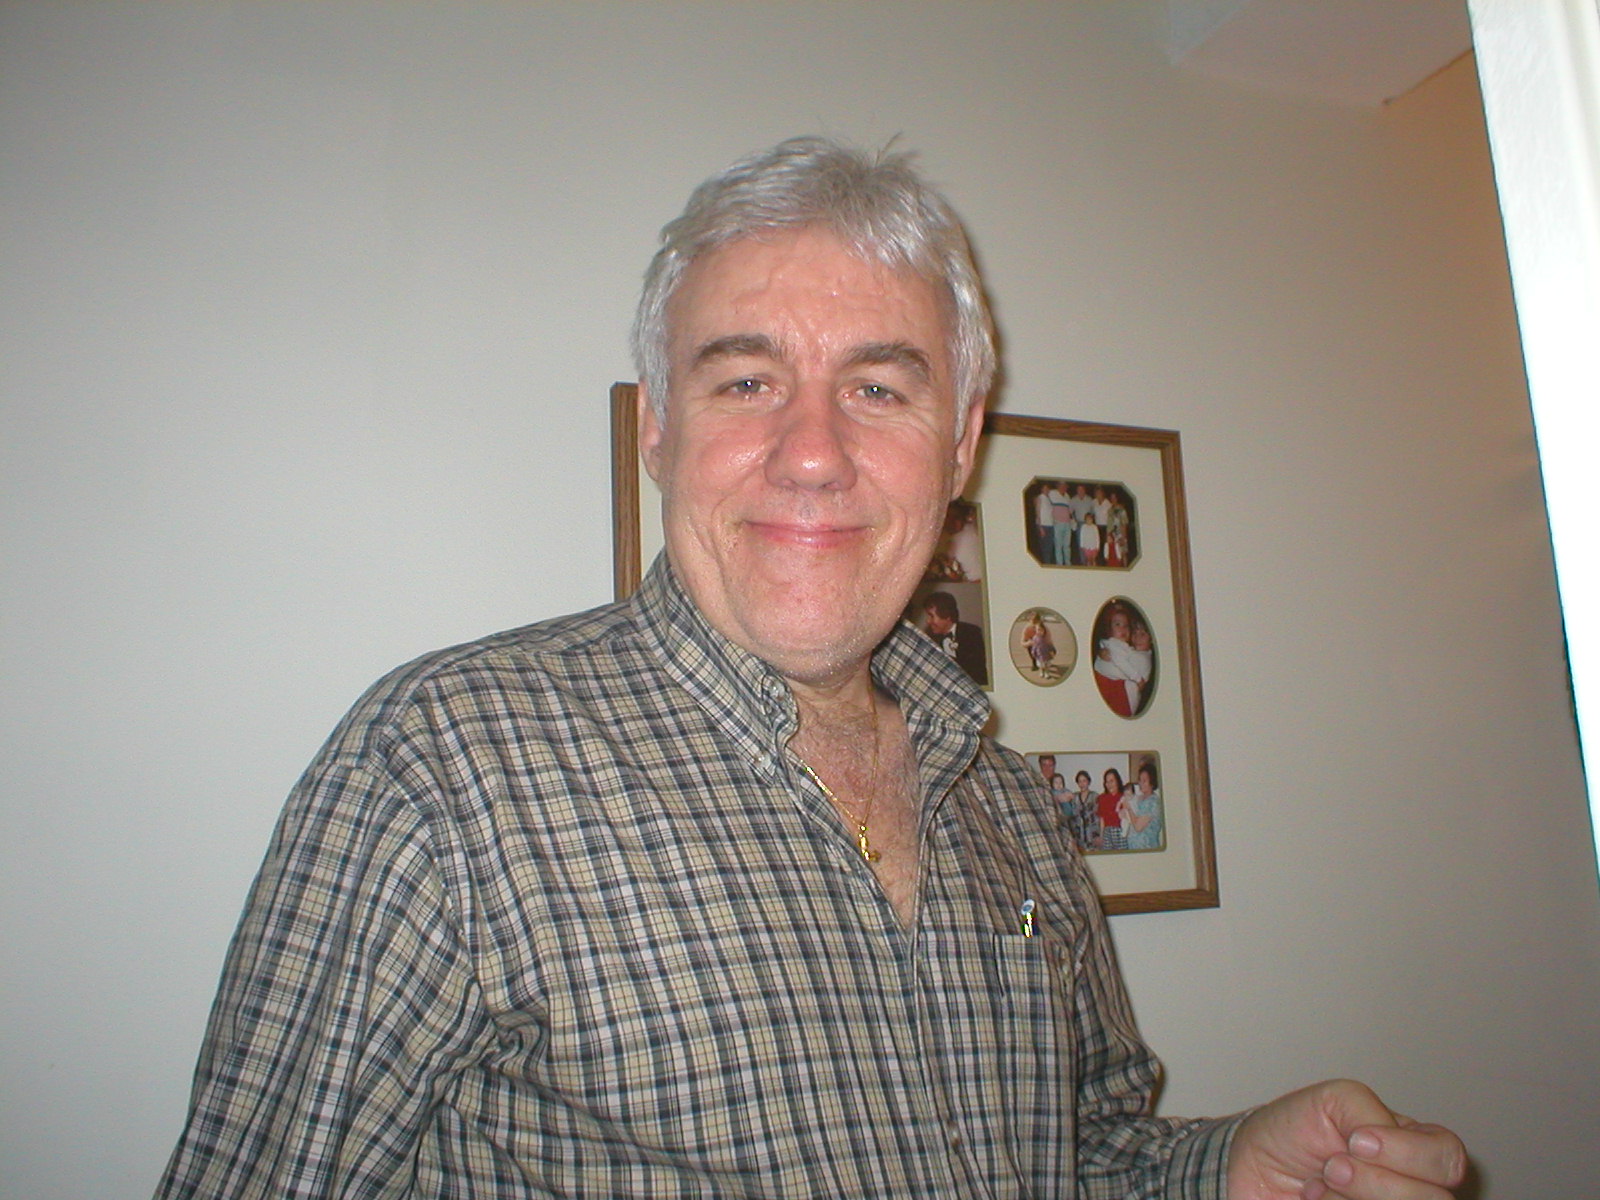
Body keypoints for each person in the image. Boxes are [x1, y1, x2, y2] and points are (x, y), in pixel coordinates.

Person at [156, 136, 1465, 1200]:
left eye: (879, 390)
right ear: (657, 430)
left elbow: (1084, 1159)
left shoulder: (1012, 807)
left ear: (961, 447)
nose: (814, 453)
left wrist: (1226, 1172)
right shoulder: (444, 767)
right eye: (744, 383)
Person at [920, 588, 989, 686]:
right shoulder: (929, 638)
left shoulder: (972, 633)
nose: (928, 621)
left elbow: (977, 671)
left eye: (931, 616)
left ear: (946, 616)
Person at [1122, 758, 1164, 851]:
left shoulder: (1153, 802)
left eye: (1144, 781)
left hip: (1147, 848)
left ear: (1152, 782)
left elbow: (1138, 827)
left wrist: (1129, 808)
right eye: (1140, 780)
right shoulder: (1138, 798)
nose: (1140, 783)